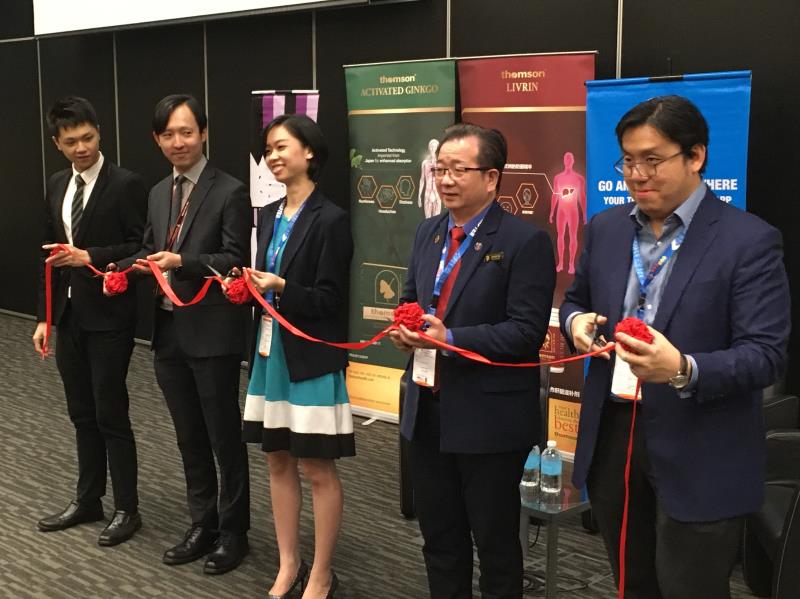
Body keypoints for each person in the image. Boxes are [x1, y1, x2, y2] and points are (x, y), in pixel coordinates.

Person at [560, 95, 790, 599]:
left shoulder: (747, 241)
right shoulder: (604, 228)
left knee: (691, 588)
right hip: (616, 433)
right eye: (628, 160)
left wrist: (683, 368)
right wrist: (577, 324)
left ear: (696, 156)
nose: (637, 174)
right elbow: (573, 302)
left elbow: (766, 354)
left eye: (653, 159)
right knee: (632, 581)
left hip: (701, 443)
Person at [390, 123, 556, 598]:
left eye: (457, 169)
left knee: (496, 545)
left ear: (491, 178)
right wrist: (406, 333)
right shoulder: (428, 232)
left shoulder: (525, 242)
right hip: (427, 411)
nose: (444, 179)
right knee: (440, 539)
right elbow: (411, 300)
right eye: (439, 168)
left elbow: (525, 333)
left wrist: (452, 338)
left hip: (489, 418)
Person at [115, 94, 251, 574]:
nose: (178, 142)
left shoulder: (229, 190)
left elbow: (236, 259)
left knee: (222, 437)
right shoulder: (157, 192)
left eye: (187, 132)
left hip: (212, 331)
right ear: (157, 139)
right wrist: (110, 267)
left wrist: (185, 263)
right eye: (168, 134)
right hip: (167, 331)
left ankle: (235, 533)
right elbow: (152, 251)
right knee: (187, 436)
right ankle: (203, 522)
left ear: (204, 133)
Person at [241, 114, 353, 599]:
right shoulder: (267, 213)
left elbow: (330, 300)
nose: (272, 156)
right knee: (277, 460)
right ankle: (289, 564)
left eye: (282, 146)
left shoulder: (332, 218)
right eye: (268, 149)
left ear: (309, 151)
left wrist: (283, 287)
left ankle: (322, 573)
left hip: (309, 356)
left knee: (317, 468)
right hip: (270, 353)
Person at [34, 96, 147, 546]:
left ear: (99, 132)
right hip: (68, 316)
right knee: (81, 412)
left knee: (110, 411)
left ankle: (127, 507)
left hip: (110, 316)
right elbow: (46, 254)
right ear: (58, 144)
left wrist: (91, 257)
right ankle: (88, 499)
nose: (82, 147)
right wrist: (45, 316)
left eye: (88, 138)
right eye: (71, 141)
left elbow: (140, 246)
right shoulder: (56, 183)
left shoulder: (126, 184)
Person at [549, 151, 587, 274]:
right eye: (566, 159)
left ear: (573, 161)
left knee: (572, 236)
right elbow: (555, 195)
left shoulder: (579, 178)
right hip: (561, 209)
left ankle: (571, 264)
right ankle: (560, 263)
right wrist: (552, 212)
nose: (568, 161)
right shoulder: (558, 178)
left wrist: (584, 213)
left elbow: (582, 196)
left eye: (570, 159)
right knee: (560, 235)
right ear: (564, 161)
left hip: (573, 210)